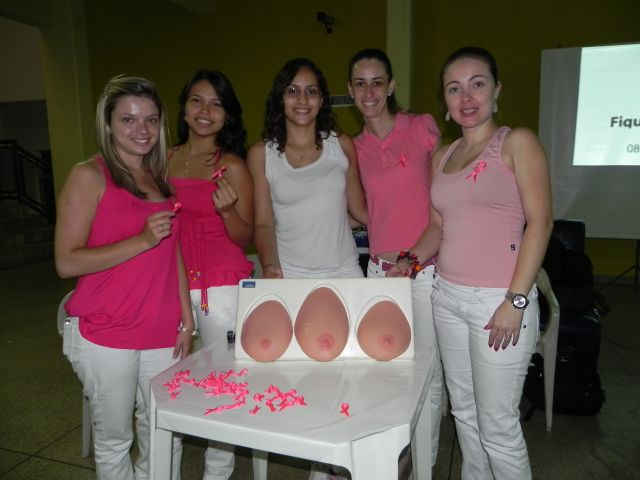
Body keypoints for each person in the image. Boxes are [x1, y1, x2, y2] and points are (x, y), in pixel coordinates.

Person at [392, 47, 553, 479]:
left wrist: (515, 301)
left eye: (477, 84)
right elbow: (437, 227)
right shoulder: (441, 156)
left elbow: (541, 222)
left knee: (498, 427)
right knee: (463, 413)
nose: (466, 97)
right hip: (447, 297)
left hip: (498, 302)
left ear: (496, 90)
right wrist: (410, 260)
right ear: (444, 101)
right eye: (454, 88)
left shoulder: (517, 143)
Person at [55, 75, 194, 480]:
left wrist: (186, 318)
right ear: (108, 123)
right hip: (106, 332)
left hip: (162, 330)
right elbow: (66, 262)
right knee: (115, 439)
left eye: (151, 120)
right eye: (128, 119)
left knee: (164, 432)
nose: (141, 130)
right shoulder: (89, 176)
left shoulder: (159, 178)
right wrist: (140, 240)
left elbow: (173, 253)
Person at [246, 57, 367, 477]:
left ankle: (334, 464)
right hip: (292, 278)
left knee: (349, 377)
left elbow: (361, 211)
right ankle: (322, 459)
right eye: (293, 90)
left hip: (344, 275)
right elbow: (263, 223)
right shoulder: (262, 154)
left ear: (322, 99)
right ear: (280, 98)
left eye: (311, 91)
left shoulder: (340, 146)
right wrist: (271, 266)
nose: (302, 99)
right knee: (306, 380)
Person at [348, 48, 445, 468]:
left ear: (391, 86)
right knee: (386, 374)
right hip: (378, 273)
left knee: (427, 376)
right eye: (360, 83)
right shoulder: (355, 148)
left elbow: (445, 202)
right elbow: (363, 210)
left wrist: (412, 258)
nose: (369, 92)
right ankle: (393, 456)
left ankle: (423, 464)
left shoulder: (421, 127)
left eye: (377, 82)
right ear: (351, 90)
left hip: (423, 272)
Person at [168, 69, 254, 480]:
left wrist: (228, 211)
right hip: (171, 285)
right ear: (184, 109)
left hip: (220, 290)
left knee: (223, 385)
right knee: (170, 380)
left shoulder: (231, 165)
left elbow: (245, 236)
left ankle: (217, 472)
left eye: (216, 104)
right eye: (197, 100)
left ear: (227, 114)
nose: (205, 111)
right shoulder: (163, 159)